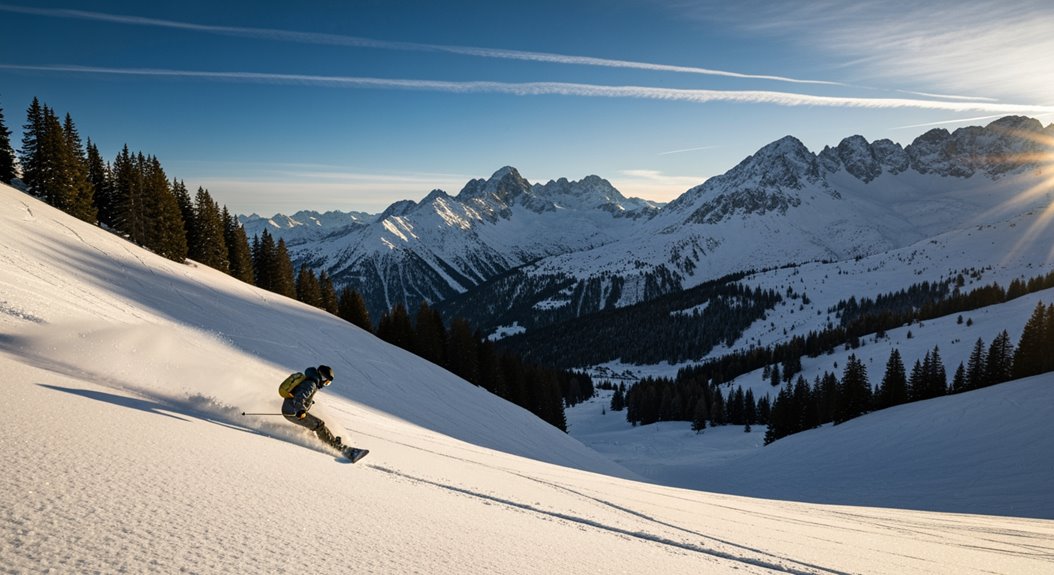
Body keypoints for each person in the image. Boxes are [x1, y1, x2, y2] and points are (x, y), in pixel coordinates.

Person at [281, 364, 353, 455]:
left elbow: (301, 395)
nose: (325, 384)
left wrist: (308, 403)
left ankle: (323, 441)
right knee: (319, 425)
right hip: (293, 411)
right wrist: (300, 410)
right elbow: (299, 398)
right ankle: (336, 447)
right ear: (322, 377)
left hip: (290, 409)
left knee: (313, 426)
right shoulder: (311, 384)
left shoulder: (310, 381)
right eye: (327, 382)